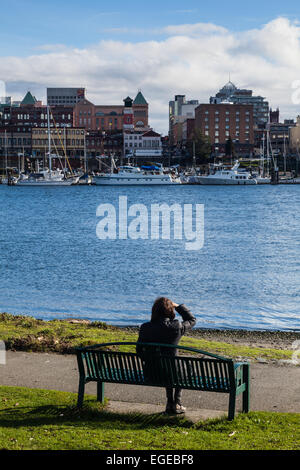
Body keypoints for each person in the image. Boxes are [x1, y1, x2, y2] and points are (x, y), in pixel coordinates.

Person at [137, 297, 196, 415]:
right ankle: (177, 402)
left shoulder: (145, 327)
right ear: (170, 311)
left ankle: (170, 402)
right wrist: (178, 306)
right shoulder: (176, 326)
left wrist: (148, 360)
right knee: (181, 366)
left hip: (153, 373)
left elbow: (139, 350)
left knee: (167, 366)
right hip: (175, 374)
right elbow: (192, 320)